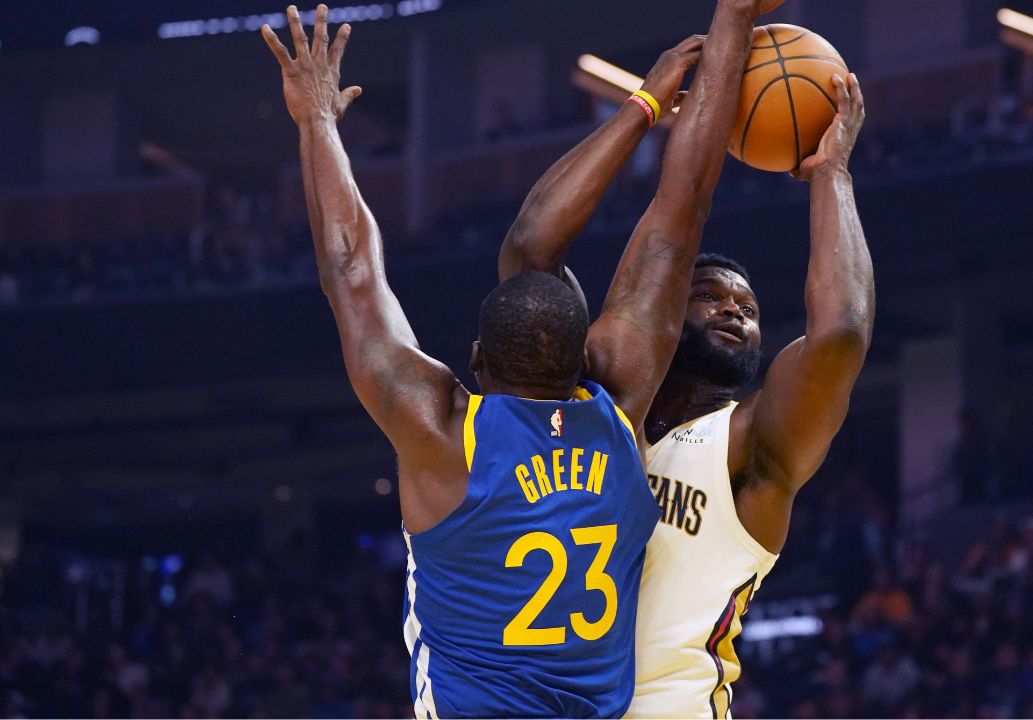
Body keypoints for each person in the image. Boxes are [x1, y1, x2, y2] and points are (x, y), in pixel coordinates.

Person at [257, 4, 717, 716]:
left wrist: (317, 122)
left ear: (476, 362)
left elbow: (351, 270)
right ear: (584, 360)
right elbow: (672, 230)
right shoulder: (619, 411)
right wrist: (709, 49)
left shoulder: (442, 434)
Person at [500, 24, 873, 720]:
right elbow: (529, 256)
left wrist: (831, 174)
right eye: (710, 296)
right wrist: (640, 108)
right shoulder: (593, 398)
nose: (733, 311)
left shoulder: (749, 445)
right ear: (666, 313)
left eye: (748, 309)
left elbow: (840, 336)